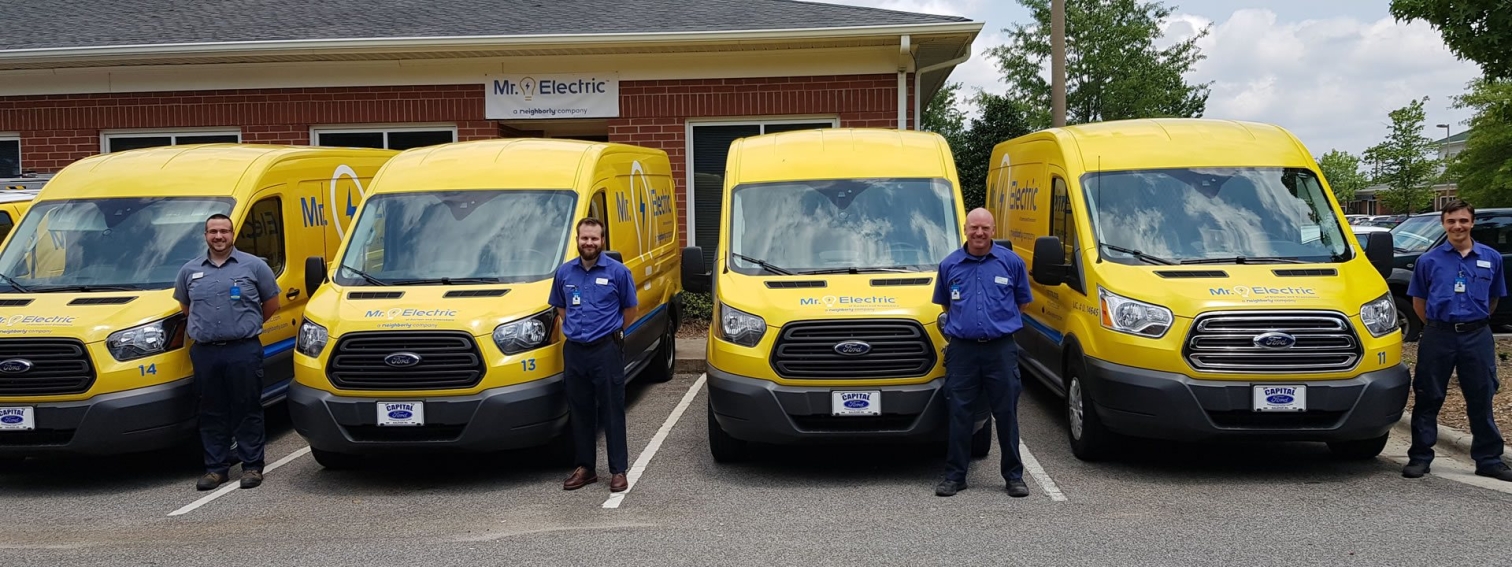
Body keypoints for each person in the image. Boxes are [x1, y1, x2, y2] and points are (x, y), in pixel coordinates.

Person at [1404, 200, 1512, 481]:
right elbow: (1419, 302)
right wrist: (1441, 327)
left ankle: (1488, 459)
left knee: (1481, 396)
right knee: (1428, 396)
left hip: (1477, 336)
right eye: (1451, 221)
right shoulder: (1428, 261)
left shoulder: (1491, 257)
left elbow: (1493, 299)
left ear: (1472, 223)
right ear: (1444, 224)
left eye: (1463, 221)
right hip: (1439, 335)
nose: (1458, 226)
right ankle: (1420, 457)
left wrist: (1471, 323)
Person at [173, 214, 280, 491]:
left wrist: (244, 326)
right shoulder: (189, 270)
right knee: (211, 411)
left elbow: (271, 303)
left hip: (243, 349)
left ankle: (252, 467)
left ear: (233, 234)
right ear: (205, 235)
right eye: (213, 232)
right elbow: (187, 309)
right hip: (206, 352)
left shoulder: (254, 266)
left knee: (247, 408)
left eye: (224, 231)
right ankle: (216, 469)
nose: (218, 236)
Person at [932, 208, 1034, 497]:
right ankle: (955, 476)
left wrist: (997, 323)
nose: (979, 233)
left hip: (1000, 350)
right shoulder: (949, 265)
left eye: (985, 228)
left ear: (993, 230)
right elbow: (946, 306)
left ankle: (1014, 477)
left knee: (1006, 414)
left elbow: (1022, 302)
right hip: (962, 351)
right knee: (960, 413)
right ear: (965, 229)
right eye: (974, 228)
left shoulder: (1011, 263)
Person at [550, 217, 638, 493]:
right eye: (584, 238)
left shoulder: (618, 272)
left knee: (612, 410)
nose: (589, 243)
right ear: (577, 240)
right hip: (575, 351)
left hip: (606, 350)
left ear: (603, 241)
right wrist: (579, 331)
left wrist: (609, 333)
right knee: (580, 411)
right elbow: (561, 309)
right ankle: (585, 468)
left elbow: (629, 309)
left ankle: (618, 470)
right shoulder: (564, 273)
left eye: (594, 238)